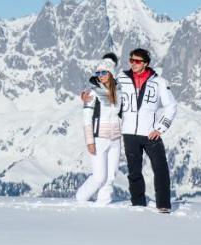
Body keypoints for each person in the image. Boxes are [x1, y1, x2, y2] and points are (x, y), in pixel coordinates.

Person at [117, 48, 178, 213]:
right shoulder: (121, 78)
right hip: (129, 132)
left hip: (150, 132)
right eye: (131, 60)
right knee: (134, 171)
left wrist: (160, 128)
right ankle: (138, 204)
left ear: (145, 63)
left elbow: (171, 106)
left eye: (137, 61)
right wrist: (88, 97)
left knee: (161, 168)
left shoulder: (159, 82)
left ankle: (163, 204)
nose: (133, 64)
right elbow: (108, 94)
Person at [75, 53, 122, 204]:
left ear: (111, 73)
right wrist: (90, 141)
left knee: (110, 176)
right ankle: (80, 199)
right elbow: (87, 119)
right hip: (99, 138)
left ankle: (104, 203)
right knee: (99, 176)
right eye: (98, 73)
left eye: (103, 72)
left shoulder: (119, 93)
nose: (100, 75)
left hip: (115, 139)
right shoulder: (93, 93)